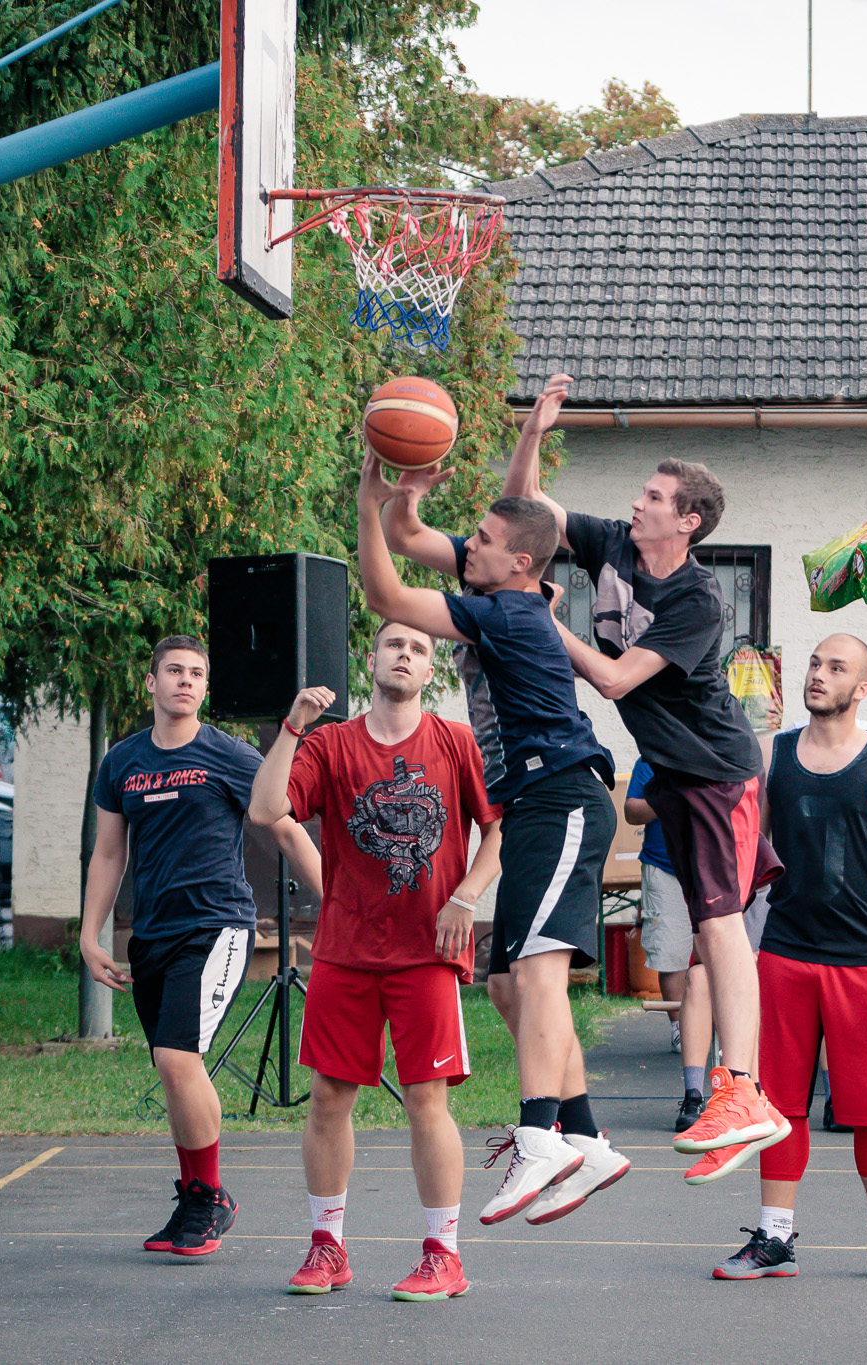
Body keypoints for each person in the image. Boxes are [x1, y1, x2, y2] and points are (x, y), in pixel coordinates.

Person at [498, 372, 787, 1167]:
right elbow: (520, 522)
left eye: (654, 495)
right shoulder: (611, 545)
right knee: (706, 924)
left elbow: (618, 678)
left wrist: (544, 618)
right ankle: (738, 1088)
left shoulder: (698, 599)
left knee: (720, 923)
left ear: (687, 519)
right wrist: (533, 432)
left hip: (721, 771)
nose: (639, 501)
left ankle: (744, 1086)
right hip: (671, 771)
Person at [357, 448, 631, 1227]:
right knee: (509, 984)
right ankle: (587, 1138)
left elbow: (383, 590)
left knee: (540, 975)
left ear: (517, 560)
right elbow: (411, 538)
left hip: (564, 796)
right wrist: (402, 498)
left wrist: (365, 499)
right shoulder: (506, 589)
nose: (465, 544)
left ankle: (540, 1132)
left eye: (478, 537)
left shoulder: (507, 609)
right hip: (535, 805)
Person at [247, 623, 502, 1300]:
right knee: (330, 1097)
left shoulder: (455, 742)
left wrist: (467, 897)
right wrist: (293, 727)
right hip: (346, 949)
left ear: (429, 671)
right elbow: (267, 807)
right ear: (372, 657)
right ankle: (327, 1245)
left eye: (419, 648)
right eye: (395, 643)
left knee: (427, 1098)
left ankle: (443, 1253)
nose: (405, 654)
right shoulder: (330, 743)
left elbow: (501, 826)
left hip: (429, 950)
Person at [80, 635, 321, 1259]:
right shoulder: (122, 761)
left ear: (205, 688)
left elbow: (287, 829)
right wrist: (90, 933)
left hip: (216, 927)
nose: (184, 681)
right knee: (173, 1073)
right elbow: (109, 852)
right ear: (152, 683)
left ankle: (211, 1198)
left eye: (196, 673)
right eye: (173, 671)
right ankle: (193, 1196)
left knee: (177, 1061)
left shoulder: (228, 754)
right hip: (153, 934)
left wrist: (338, 904)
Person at [711, 634, 867, 1282]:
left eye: (836, 667)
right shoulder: (771, 754)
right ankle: (775, 1237)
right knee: (779, 1104)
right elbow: (740, 848)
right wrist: (720, 939)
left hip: (865, 956)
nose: (818, 674)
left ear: (862, 688)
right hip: (785, 951)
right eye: (814, 662)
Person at [626, 756, 711, 1131]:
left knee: (716, 955)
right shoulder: (652, 760)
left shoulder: (714, 751)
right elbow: (632, 811)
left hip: (713, 867)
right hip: (664, 867)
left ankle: (721, 1027)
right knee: (669, 951)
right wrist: (669, 796)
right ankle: (679, 1025)